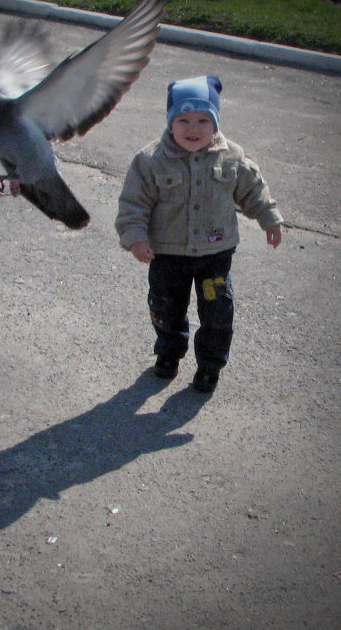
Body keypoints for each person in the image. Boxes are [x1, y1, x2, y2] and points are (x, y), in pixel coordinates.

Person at [115, 75, 283, 392]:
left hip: (214, 257)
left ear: (216, 122)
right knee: (165, 309)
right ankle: (168, 354)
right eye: (184, 120)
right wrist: (135, 237)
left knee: (218, 313)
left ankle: (209, 366)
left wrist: (269, 219)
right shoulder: (150, 160)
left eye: (204, 120)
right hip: (167, 255)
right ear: (170, 122)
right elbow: (133, 204)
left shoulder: (231, 157)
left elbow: (253, 192)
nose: (194, 128)